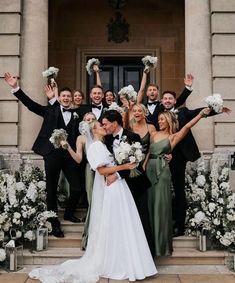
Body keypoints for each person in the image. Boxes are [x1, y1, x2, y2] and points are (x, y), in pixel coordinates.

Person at [29, 120, 157, 283]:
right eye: (100, 126)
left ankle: (125, 259)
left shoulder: (102, 145)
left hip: (118, 187)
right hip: (112, 188)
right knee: (117, 223)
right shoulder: (95, 147)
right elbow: (102, 170)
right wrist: (124, 167)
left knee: (121, 223)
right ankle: (118, 263)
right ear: (94, 131)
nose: (104, 127)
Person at [4, 72, 82, 237]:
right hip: (51, 154)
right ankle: (55, 223)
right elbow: (31, 105)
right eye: (64, 96)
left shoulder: (77, 115)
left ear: (72, 99)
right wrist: (16, 88)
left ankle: (68, 213)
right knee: (51, 189)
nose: (67, 98)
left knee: (77, 188)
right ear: (59, 97)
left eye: (69, 96)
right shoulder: (50, 111)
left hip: (69, 156)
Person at [161, 90, 231, 236]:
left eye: (170, 98)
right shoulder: (158, 115)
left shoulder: (184, 112)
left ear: (175, 101)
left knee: (179, 189)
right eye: (165, 98)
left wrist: (216, 110)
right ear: (162, 101)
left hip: (179, 157)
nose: (167, 100)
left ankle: (179, 226)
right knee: (163, 189)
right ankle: (162, 222)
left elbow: (200, 112)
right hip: (161, 156)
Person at [146, 108, 211, 256]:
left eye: (162, 119)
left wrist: (201, 114)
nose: (159, 121)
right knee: (149, 204)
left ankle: (160, 244)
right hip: (148, 171)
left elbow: (187, 126)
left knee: (160, 205)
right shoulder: (153, 134)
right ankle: (149, 242)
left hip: (162, 172)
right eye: (159, 119)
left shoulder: (173, 137)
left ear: (168, 120)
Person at [102, 109, 154, 255]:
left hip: (136, 185)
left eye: (105, 124)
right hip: (119, 189)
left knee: (142, 219)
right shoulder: (106, 140)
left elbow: (135, 163)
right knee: (123, 222)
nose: (104, 126)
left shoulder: (133, 136)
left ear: (114, 123)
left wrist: (117, 175)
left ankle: (148, 256)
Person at [60, 112, 97, 250]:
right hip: (90, 171)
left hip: (104, 170)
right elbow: (79, 159)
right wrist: (68, 147)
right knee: (92, 200)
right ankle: (91, 236)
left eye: (93, 119)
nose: (91, 122)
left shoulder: (102, 134)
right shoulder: (81, 138)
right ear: (83, 122)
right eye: (88, 120)